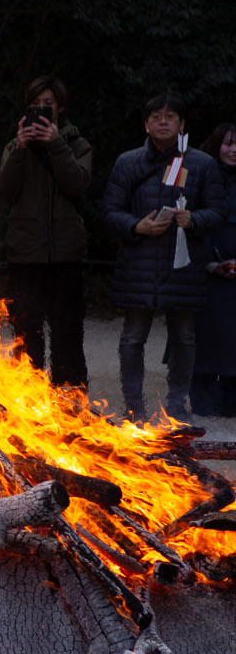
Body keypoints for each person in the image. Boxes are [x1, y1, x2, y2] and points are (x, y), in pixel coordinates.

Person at [101, 92, 223, 422]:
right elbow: (110, 211)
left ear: (182, 124)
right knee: (132, 338)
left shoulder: (201, 163)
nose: (163, 121)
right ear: (146, 123)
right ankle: (133, 407)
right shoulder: (128, 162)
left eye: (170, 116)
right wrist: (136, 225)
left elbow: (218, 211)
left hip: (183, 265)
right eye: (156, 116)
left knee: (184, 337)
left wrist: (194, 219)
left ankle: (176, 406)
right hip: (138, 264)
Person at [0, 76, 92, 389]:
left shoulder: (77, 144)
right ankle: (29, 403)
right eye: (35, 105)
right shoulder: (15, 145)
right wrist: (22, 147)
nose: (41, 110)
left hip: (66, 254)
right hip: (25, 255)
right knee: (26, 336)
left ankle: (70, 403)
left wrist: (55, 144)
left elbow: (77, 185)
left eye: (47, 105)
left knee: (67, 334)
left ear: (60, 108)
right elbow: (5, 190)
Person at [192, 121, 236, 417]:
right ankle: (203, 404)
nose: (234, 150)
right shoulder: (202, 178)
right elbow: (192, 223)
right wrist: (209, 262)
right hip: (206, 274)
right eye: (229, 143)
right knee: (206, 342)